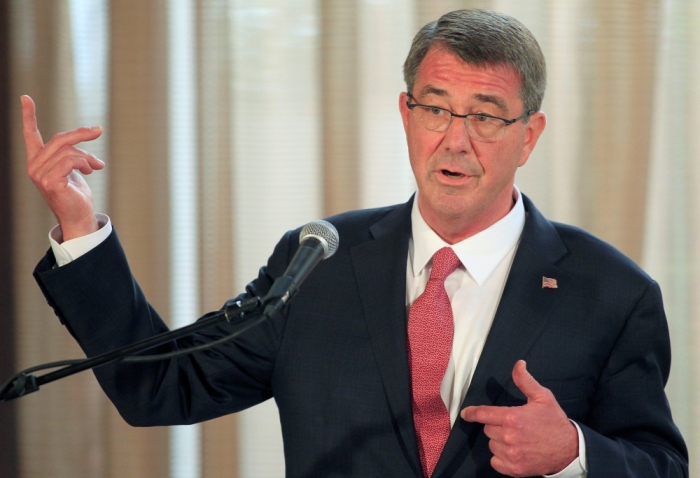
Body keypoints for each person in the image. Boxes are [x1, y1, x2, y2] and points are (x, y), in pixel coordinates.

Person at [24, 9, 687, 478]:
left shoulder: (614, 293)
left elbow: (660, 467)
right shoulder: (317, 260)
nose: (455, 140)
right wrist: (81, 231)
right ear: (407, 114)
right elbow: (162, 388)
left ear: (529, 134)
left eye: (485, 116)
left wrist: (574, 451)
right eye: (435, 108)